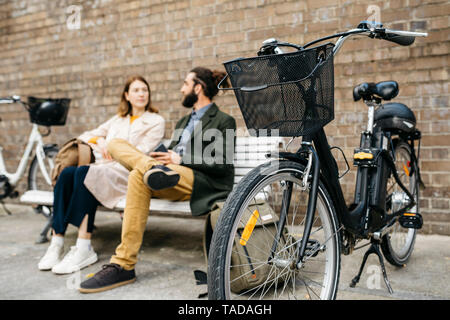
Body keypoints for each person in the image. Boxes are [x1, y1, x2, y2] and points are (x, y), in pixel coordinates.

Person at [79, 67, 236, 293]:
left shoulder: (224, 120)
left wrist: (180, 158)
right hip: (169, 175)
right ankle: (124, 265)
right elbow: (170, 152)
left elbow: (223, 162)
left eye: (185, 83)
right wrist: (162, 158)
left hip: (203, 181)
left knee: (138, 173)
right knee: (117, 147)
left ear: (198, 88)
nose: (181, 89)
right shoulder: (183, 121)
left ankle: (123, 262)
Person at [38, 76, 165, 275]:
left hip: (127, 174)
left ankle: (83, 246)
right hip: (104, 170)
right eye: (136, 90)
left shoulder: (155, 121)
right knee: (67, 174)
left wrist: (112, 149)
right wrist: (101, 140)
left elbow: (141, 152)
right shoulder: (118, 120)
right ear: (127, 95)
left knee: (85, 172)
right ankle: (57, 241)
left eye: (145, 90)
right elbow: (85, 136)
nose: (142, 94)